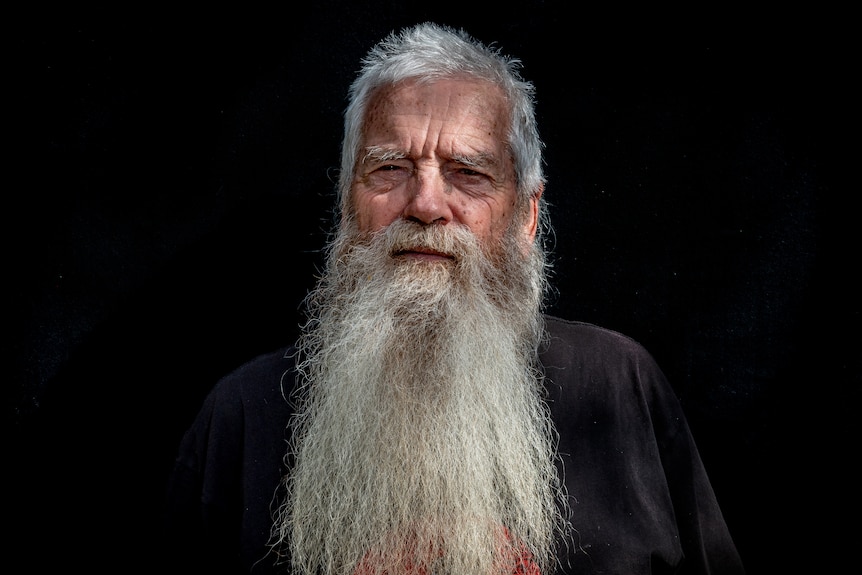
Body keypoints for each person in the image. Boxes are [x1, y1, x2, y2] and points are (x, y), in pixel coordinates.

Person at [163, 22, 745, 574]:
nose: (425, 204)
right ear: (347, 203)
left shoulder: (620, 389)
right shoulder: (241, 418)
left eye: (468, 173)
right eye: (390, 168)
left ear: (526, 216)